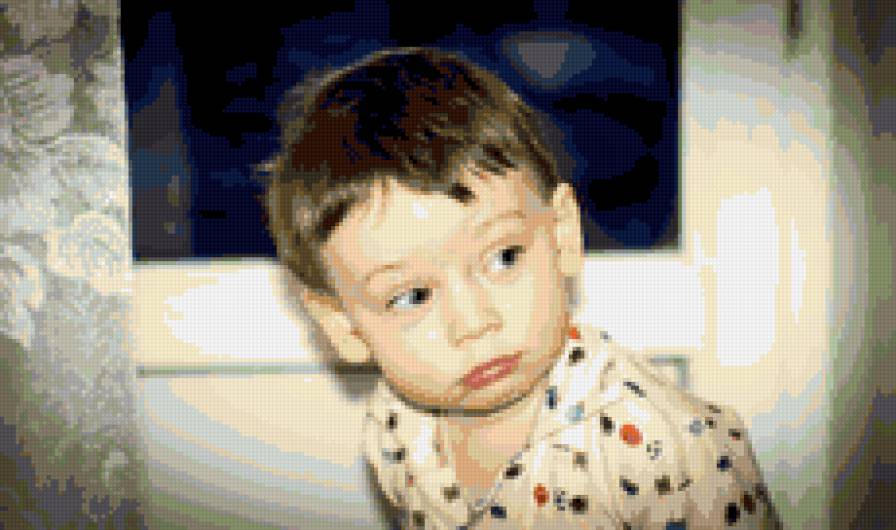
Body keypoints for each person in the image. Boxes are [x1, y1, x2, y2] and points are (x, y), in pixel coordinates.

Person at [254, 46, 782, 529]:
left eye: (503, 258)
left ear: (562, 236)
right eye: (412, 296)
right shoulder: (397, 427)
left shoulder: (667, 449)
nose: (475, 322)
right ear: (343, 327)